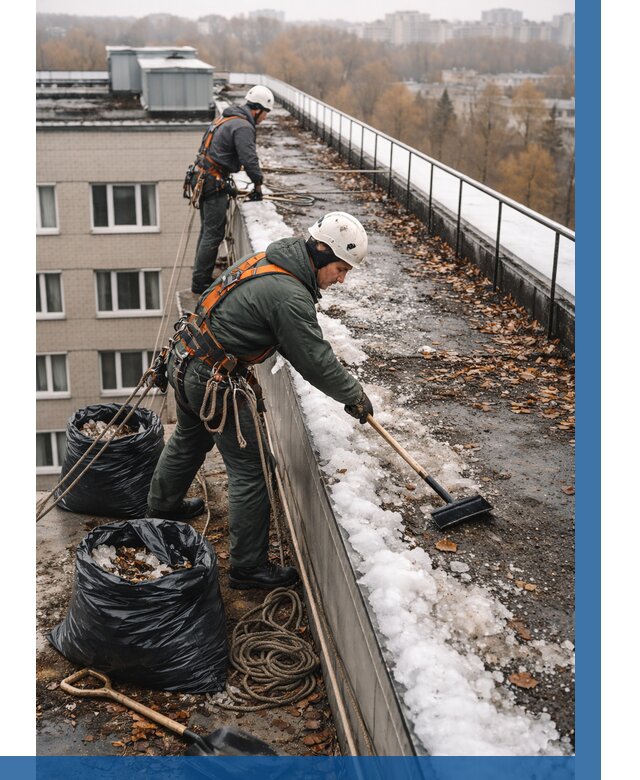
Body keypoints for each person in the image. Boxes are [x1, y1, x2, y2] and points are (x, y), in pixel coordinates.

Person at [147, 212, 374, 590]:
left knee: (190, 436)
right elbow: (313, 359)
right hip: (212, 378)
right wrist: (353, 395)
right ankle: (248, 568)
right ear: (320, 253)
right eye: (339, 268)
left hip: (186, 359)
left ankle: (161, 506)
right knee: (252, 470)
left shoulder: (269, 259)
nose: (341, 279)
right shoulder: (288, 295)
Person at [190, 85, 274, 295]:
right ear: (258, 110)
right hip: (212, 180)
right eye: (265, 114)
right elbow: (249, 158)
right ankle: (200, 283)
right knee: (213, 232)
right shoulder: (243, 125)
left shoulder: (227, 118)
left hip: (204, 177)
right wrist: (257, 184)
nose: (264, 119)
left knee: (208, 230)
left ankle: (200, 277)